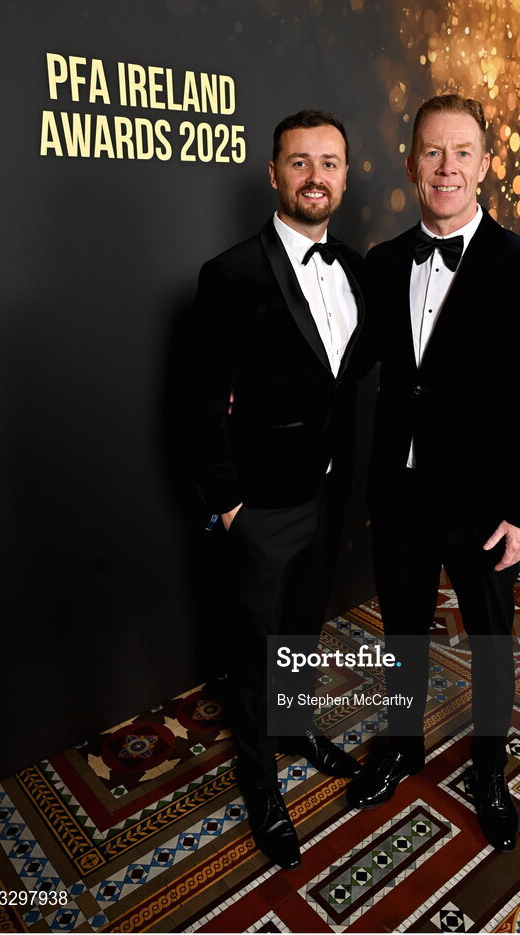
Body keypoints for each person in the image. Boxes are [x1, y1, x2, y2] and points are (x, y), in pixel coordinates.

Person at [347, 94, 520, 853]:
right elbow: (349, 363)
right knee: (402, 630)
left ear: (484, 163)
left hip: (483, 503)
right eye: (432, 152)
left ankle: (489, 771)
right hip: (399, 492)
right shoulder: (381, 263)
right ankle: (403, 746)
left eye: (461, 152)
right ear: (411, 164)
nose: (446, 168)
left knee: (491, 645)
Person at [190, 110, 365, 870]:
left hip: (329, 497)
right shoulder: (229, 273)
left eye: (328, 163)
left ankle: (296, 729)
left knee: (300, 632)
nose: (314, 177)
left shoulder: (356, 268)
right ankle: (260, 785)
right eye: (299, 162)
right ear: (273, 174)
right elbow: (196, 402)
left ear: (345, 176)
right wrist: (230, 506)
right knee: (257, 653)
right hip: (261, 508)